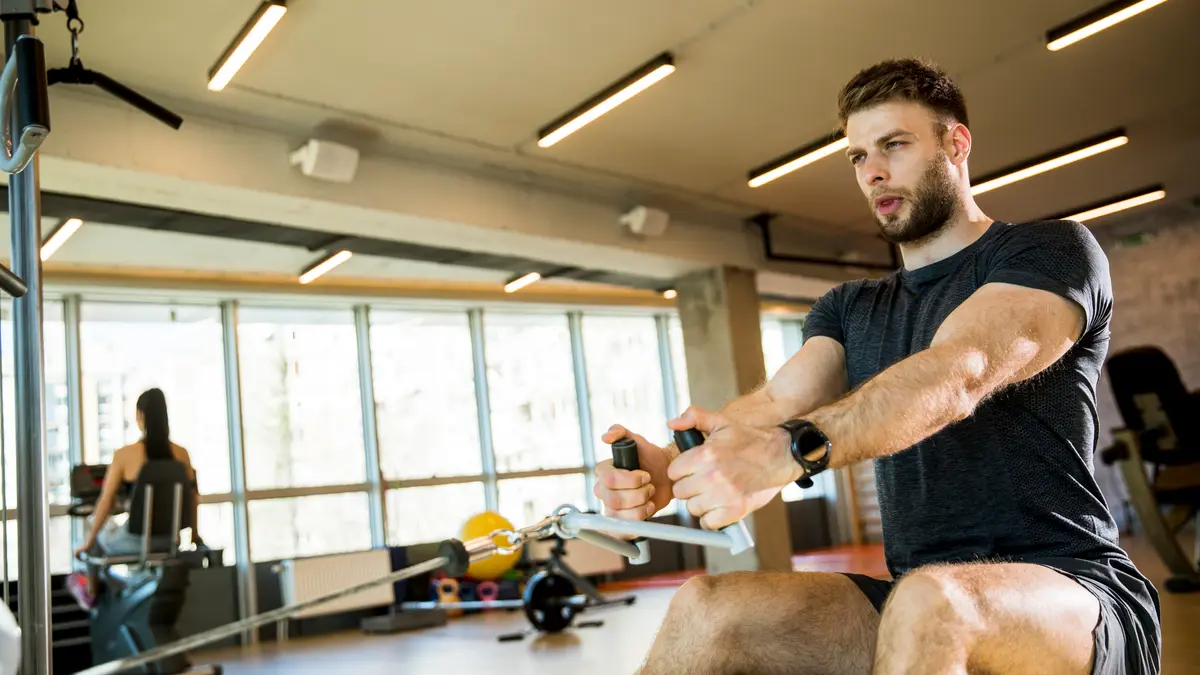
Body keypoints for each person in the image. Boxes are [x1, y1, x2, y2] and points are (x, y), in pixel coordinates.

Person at [596, 58, 1161, 675]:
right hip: (914, 593)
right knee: (708, 607)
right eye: (859, 156)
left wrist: (790, 453)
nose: (875, 172)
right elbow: (774, 406)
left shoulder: (1050, 251)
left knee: (933, 601)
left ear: (956, 143)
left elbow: (959, 371)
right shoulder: (850, 307)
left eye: (895, 144)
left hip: (1074, 591)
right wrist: (670, 470)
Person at [67, 388, 202, 609]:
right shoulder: (182, 454)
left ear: (140, 416)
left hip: (135, 541)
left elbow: (106, 502)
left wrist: (88, 543)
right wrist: (194, 536)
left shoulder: (125, 455)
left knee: (92, 525)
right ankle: (119, 586)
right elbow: (193, 498)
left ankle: (91, 591)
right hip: (170, 540)